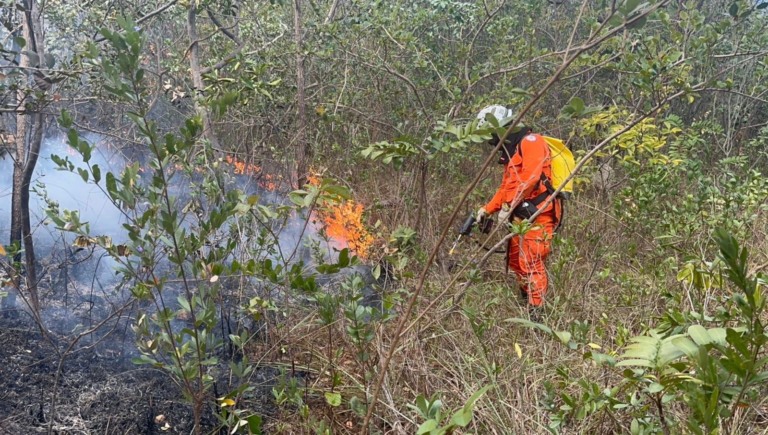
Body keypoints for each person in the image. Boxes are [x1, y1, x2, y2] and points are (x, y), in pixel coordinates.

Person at [475, 105, 561, 313]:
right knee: (516, 261)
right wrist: (487, 209)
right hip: (520, 215)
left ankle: (536, 314)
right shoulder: (512, 152)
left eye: (491, 134)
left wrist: (509, 205)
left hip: (538, 214)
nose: (490, 141)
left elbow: (530, 178)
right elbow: (507, 187)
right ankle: (526, 300)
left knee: (531, 262)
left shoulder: (531, 142)